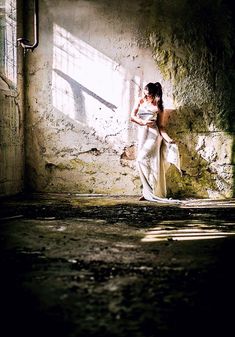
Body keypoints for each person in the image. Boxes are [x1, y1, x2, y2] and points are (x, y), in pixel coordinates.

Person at [130, 82, 181, 203]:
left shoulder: (159, 106)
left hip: (153, 135)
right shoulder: (140, 101)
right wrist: (143, 123)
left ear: (154, 94)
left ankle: (151, 191)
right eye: (145, 93)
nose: (146, 96)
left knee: (143, 160)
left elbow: (161, 127)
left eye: (149, 95)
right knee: (144, 163)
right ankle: (148, 192)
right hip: (142, 134)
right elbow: (132, 116)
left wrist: (169, 140)